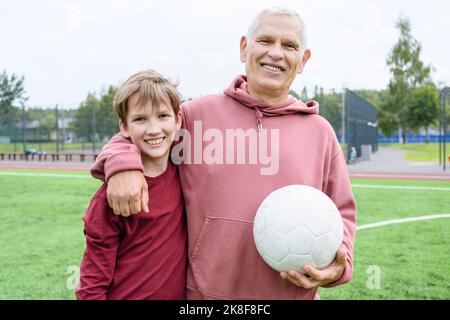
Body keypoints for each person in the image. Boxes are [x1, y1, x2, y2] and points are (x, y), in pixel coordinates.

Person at [91, 6, 356, 300]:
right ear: (244, 48)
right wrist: (123, 164)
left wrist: (338, 267)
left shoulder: (320, 132)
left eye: (290, 45)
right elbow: (145, 131)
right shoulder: (194, 116)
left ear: (303, 60)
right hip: (204, 299)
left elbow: (341, 213)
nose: (276, 53)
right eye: (265, 41)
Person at [76, 70, 186, 300]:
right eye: (140, 119)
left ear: (177, 120)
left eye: (162, 116)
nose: (154, 129)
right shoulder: (112, 196)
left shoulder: (186, 173)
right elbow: (92, 285)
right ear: (124, 126)